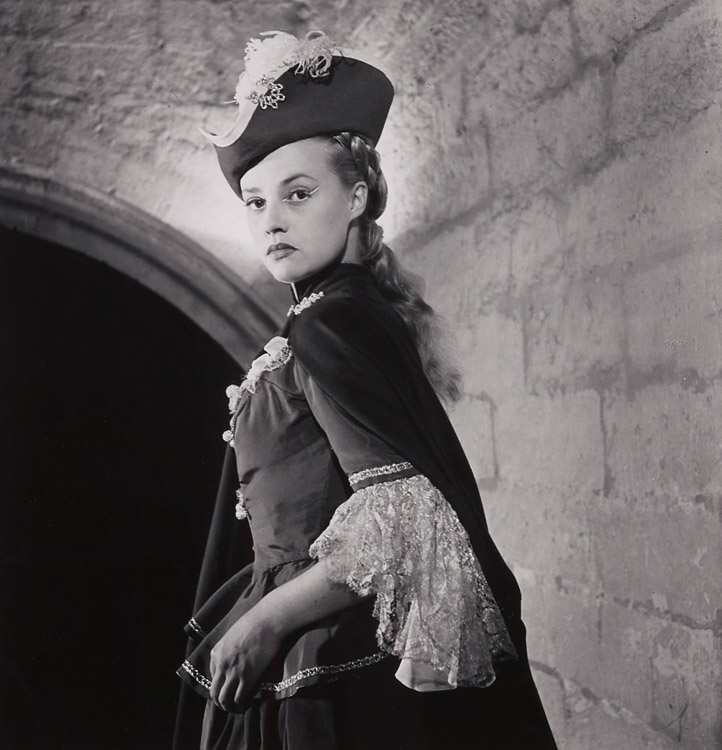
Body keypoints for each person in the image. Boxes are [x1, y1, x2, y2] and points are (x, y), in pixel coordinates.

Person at [174, 29, 558, 750]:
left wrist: (265, 622)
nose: (272, 219)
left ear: (356, 197)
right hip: (318, 630)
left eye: (298, 194)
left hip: (324, 646)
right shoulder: (334, 312)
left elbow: (403, 513)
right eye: (255, 202)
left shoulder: (333, 322)